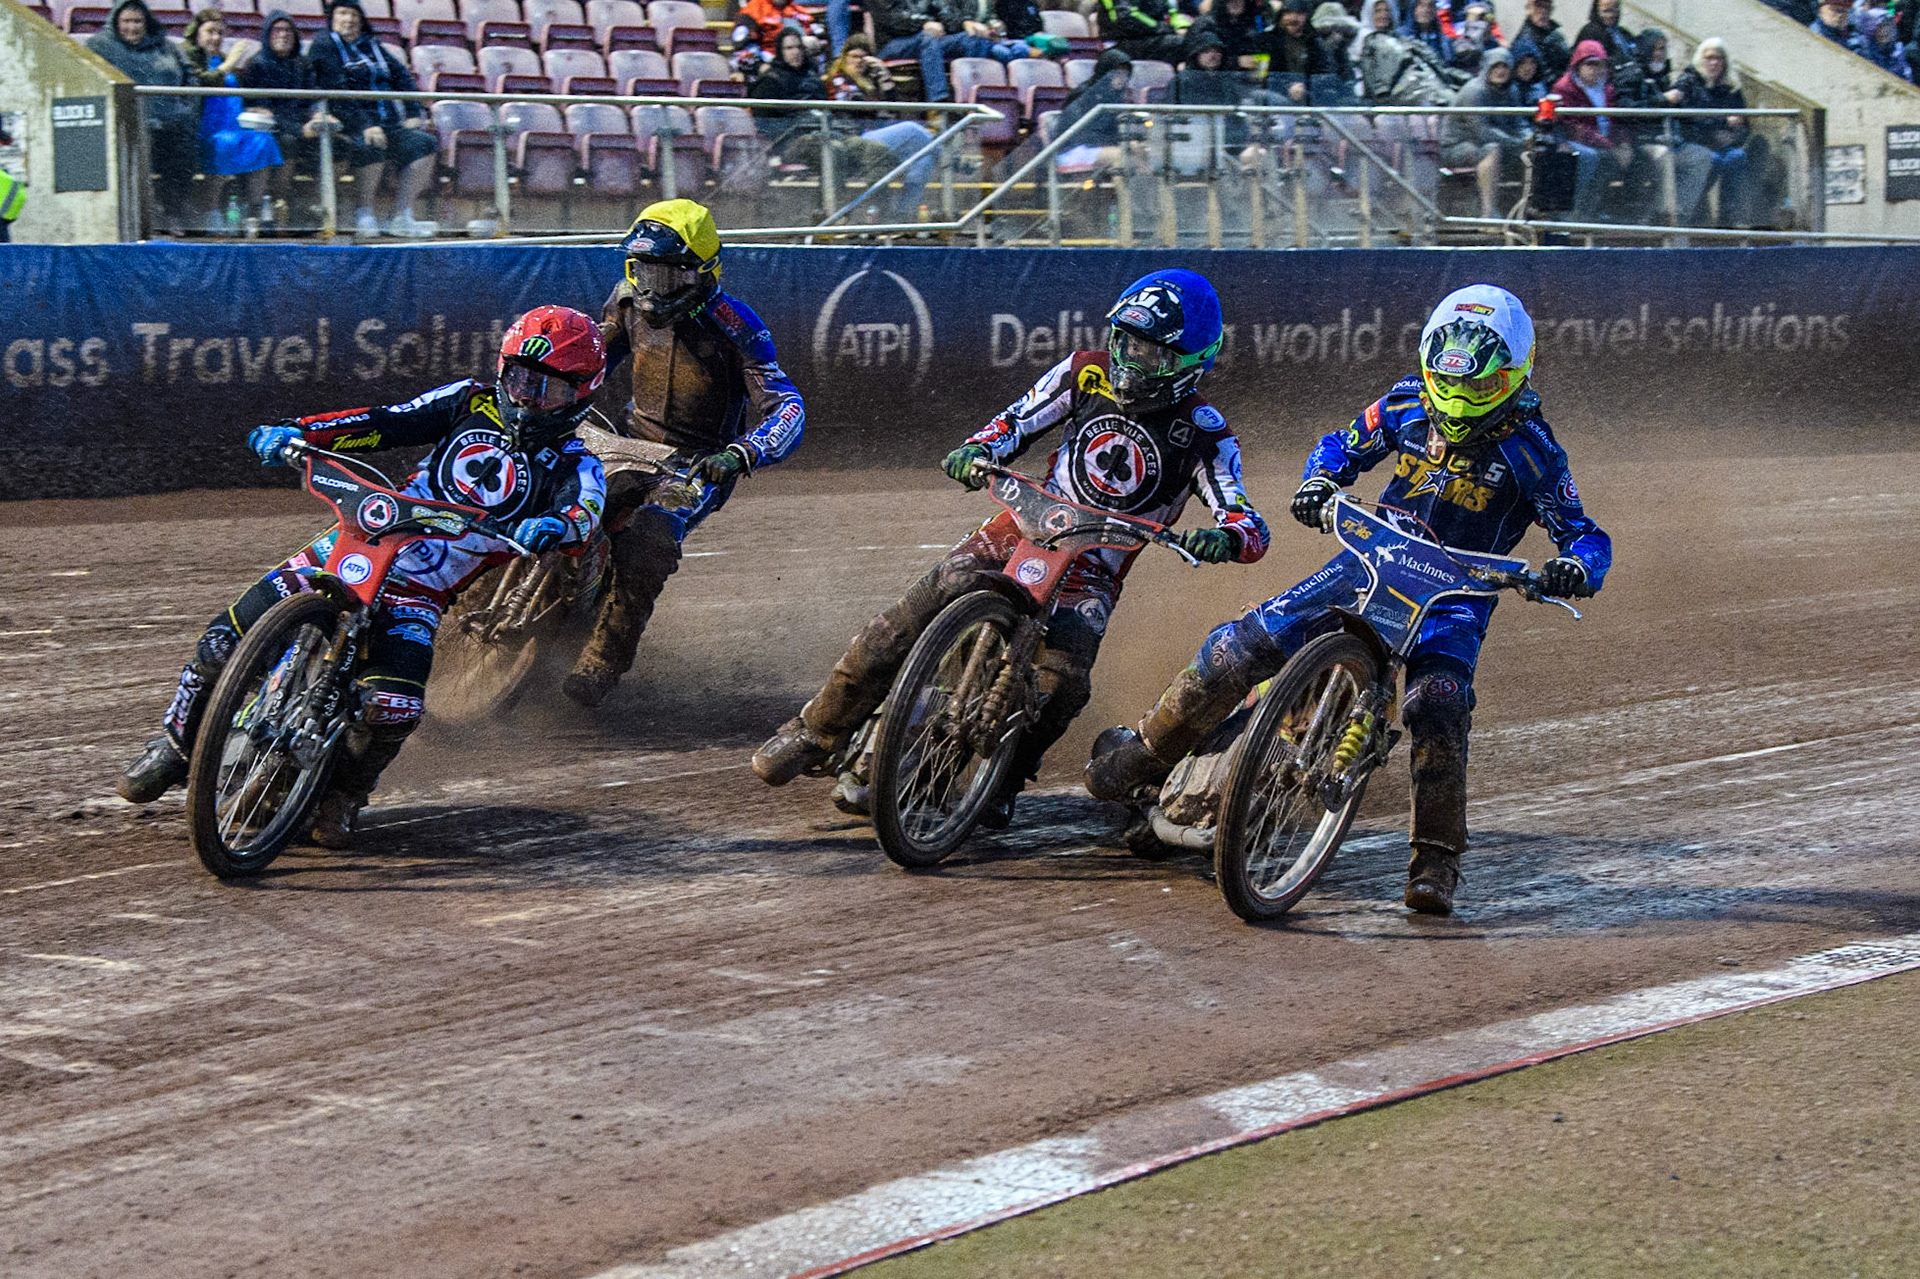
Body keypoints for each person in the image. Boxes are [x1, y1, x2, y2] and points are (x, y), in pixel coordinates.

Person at [1088, 284, 1609, 916]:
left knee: (1437, 704)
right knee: (1238, 646)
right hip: (1367, 561)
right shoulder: (1407, 403)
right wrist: (1319, 479)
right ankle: (1147, 755)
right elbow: (1342, 443)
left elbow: (1584, 534)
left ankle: (1435, 858)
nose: (1460, 400)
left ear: (1511, 376)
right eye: (1451, 383)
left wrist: (1573, 568)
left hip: (1454, 598)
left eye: (1477, 388)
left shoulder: (1535, 453)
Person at [753, 270, 1270, 825]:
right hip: (1021, 529)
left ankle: (1004, 777)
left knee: (1065, 684)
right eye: (1126, 342)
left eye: (1151, 353)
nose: (1131, 360)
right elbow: (1015, 421)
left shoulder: (1206, 433)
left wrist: (1227, 537)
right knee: (917, 608)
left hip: (1091, 571)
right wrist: (976, 449)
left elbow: (1247, 521)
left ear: (1192, 361)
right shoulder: (1084, 371)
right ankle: (816, 730)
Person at [117, 307, 610, 845]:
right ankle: (173, 744)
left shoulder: (577, 464)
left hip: (419, 594)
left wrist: (555, 526)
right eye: (518, 379)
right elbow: (385, 422)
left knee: (391, 706)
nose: (527, 398)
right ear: (501, 371)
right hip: (350, 546)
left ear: (582, 393)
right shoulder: (469, 401)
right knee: (219, 642)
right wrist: (300, 433)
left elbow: (583, 514)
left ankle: (346, 792)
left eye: (548, 389)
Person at [565, 200, 806, 707]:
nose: (654, 288)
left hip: (693, 464)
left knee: (650, 536)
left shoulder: (736, 325)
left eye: (668, 276)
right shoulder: (626, 302)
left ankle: (604, 659)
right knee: (538, 475)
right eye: (644, 271)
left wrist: (742, 454)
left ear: (701, 272)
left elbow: (787, 405)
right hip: (623, 442)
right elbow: (589, 362)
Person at [307, 0, 438, 238]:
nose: (349, 19)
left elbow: (402, 76)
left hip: (387, 123)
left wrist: (412, 112)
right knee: (372, 145)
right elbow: (337, 93)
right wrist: (366, 125)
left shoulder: (372, 45)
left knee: (425, 144)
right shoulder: (324, 46)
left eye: (354, 14)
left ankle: (401, 216)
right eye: (343, 14)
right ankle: (364, 213)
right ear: (332, 18)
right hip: (350, 124)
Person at [87, 0, 198, 235]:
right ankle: (137, 221)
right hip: (124, 126)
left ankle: (173, 215)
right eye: (126, 21)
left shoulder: (167, 47)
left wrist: (187, 111)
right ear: (116, 23)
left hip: (172, 122)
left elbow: (191, 80)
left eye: (138, 21)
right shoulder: (99, 46)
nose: (132, 27)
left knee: (184, 147)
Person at [183, 9, 285, 232]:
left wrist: (253, 108)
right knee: (223, 143)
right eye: (210, 32)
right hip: (205, 126)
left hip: (233, 123)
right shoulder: (191, 57)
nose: (216, 38)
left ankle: (255, 209)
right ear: (197, 34)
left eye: (220, 33)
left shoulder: (222, 60)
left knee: (263, 140)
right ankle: (212, 210)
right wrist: (230, 62)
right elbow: (202, 83)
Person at [826, 33, 938, 216]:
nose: (859, 61)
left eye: (864, 57)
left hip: (878, 138)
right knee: (913, 129)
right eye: (854, 56)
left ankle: (903, 215)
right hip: (853, 138)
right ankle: (951, 158)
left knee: (924, 159)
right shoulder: (838, 79)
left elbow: (891, 111)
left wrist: (884, 77)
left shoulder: (872, 79)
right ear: (844, 57)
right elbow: (859, 107)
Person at [241, 10, 327, 231]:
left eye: (288, 30)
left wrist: (318, 112)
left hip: (302, 126)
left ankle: (314, 208)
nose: (283, 34)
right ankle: (277, 204)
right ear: (268, 34)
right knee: (286, 141)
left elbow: (315, 95)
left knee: (341, 145)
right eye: (277, 30)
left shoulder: (303, 64)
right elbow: (262, 112)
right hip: (274, 130)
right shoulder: (257, 64)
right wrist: (300, 128)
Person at [1666, 36, 1755, 225]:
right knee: (1711, 159)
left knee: (1737, 157)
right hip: (1696, 142)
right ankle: (1695, 213)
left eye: (1718, 58)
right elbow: (1688, 117)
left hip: (1724, 146)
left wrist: (1733, 136)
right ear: (1701, 59)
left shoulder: (1731, 87)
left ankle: (1727, 219)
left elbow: (1745, 124)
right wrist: (1719, 125)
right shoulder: (1689, 82)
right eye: (1709, 58)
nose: (1713, 63)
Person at [1551, 39, 1633, 221]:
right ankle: (1572, 212)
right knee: (1593, 157)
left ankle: (1618, 214)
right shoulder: (1564, 88)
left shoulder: (1608, 89)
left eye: (1601, 64)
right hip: (1576, 141)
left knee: (1638, 157)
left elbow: (1617, 121)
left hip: (1604, 141)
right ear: (1578, 65)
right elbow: (1570, 126)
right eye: (1591, 64)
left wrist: (1624, 143)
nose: (1597, 69)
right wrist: (1610, 146)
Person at [1442, 48, 1527, 218]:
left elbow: (1519, 123)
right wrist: (1518, 143)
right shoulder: (1474, 91)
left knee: (1535, 151)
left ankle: (1531, 207)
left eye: (1505, 67)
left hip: (1496, 142)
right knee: (1491, 150)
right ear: (1486, 68)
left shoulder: (1512, 90)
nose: (1501, 71)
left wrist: (1529, 137)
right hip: (1456, 146)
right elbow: (1482, 133)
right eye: (1496, 67)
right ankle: (1488, 213)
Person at [1262, 0, 1333, 103]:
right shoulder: (1268, 41)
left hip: (1309, 98)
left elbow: (1325, 74)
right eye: (1288, 13)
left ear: (1306, 16)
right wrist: (1287, 86)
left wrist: (1305, 86)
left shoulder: (1315, 42)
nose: (1293, 18)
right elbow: (1264, 75)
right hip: (1275, 96)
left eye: (1299, 14)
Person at [1101, 0, 1191, 63]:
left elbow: (1172, 12)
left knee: (1195, 41)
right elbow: (1126, 17)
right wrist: (1167, 28)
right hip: (1122, 41)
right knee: (1178, 43)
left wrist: (1183, 27)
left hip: (1152, 37)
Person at [1513, 0, 1571, 84]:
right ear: (1529, 8)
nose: (1543, 11)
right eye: (1538, 6)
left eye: (1546, 7)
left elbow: (1567, 60)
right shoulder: (1524, 39)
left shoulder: (1556, 35)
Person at [1851, 6, 1914, 79]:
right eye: (1881, 27)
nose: (1886, 31)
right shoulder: (1860, 49)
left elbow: (1907, 78)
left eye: (1890, 26)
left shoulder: (1897, 53)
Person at [1508, 31, 1549, 104]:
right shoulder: (1504, 91)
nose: (1527, 68)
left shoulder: (1540, 92)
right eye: (1522, 63)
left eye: (1532, 63)